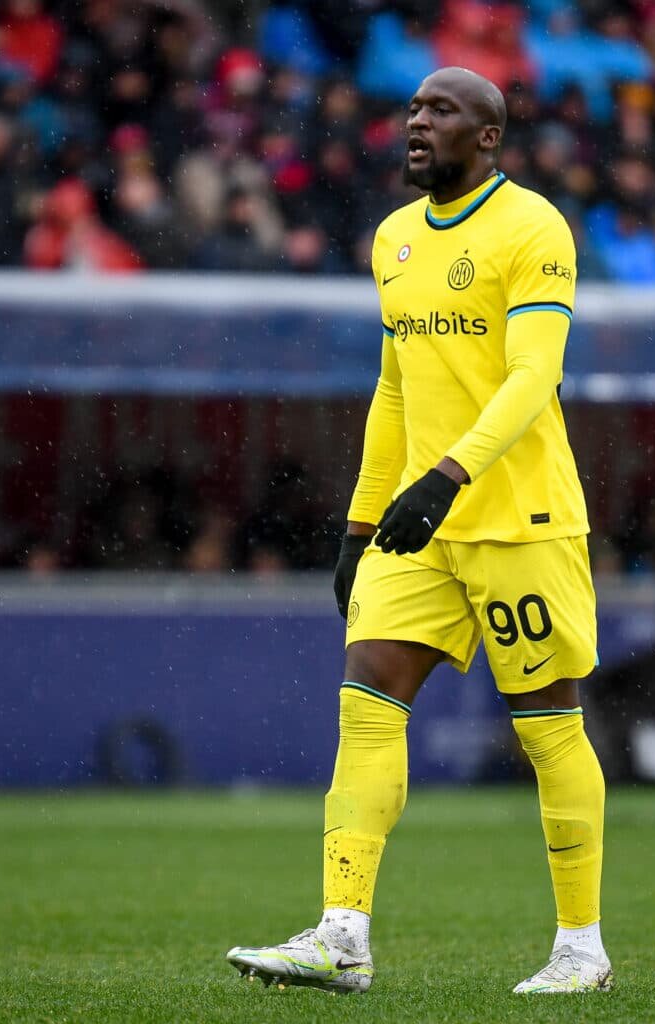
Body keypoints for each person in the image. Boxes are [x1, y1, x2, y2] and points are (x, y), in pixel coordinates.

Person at [225, 66, 610, 996]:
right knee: (367, 698)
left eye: (441, 111)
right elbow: (397, 388)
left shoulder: (533, 227)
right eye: (412, 109)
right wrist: (360, 524)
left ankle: (581, 948)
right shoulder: (394, 239)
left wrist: (448, 475)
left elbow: (533, 376)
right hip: (418, 526)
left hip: (518, 517)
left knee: (548, 728)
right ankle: (343, 933)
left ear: (488, 137)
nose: (416, 123)